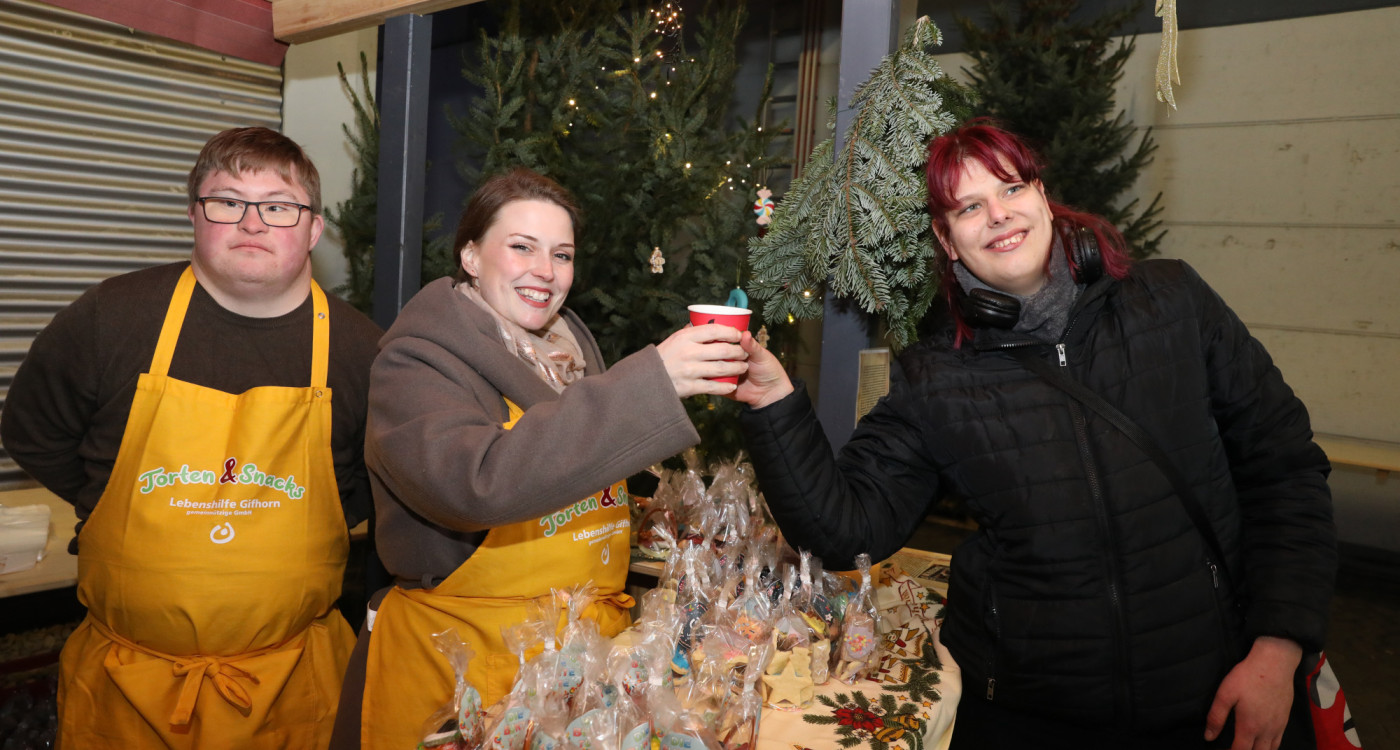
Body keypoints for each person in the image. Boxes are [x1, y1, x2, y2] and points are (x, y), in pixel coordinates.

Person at [730, 122, 1336, 750]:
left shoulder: (1173, 302)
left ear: (1042, 197)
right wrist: (773, 403)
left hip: (1217, 698)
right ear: (948, 239)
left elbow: (1285, 470)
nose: (998, 214)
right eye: (969, 206)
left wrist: (1278, 648)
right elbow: (846, 530)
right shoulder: (937, 377)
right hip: (1033, 719)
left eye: (1011, 187)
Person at [332, 167, 745, 749]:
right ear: (471, 256)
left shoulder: (571, 355)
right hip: (459, 674)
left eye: (562, 254)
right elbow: (477, 485)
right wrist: (651, 382)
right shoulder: (414, 363)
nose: (545, 272)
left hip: (576, 668)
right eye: (521, 247)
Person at [1, 127, 383, 748]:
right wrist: (114, 506)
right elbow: (32, 432)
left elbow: (380, 479)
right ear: (194, 216)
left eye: (279, 206)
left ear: (313, 229)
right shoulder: (110, 317)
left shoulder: (362, 349)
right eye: (227, 201)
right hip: (124, 689)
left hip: (293, 691)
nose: (252, 222)